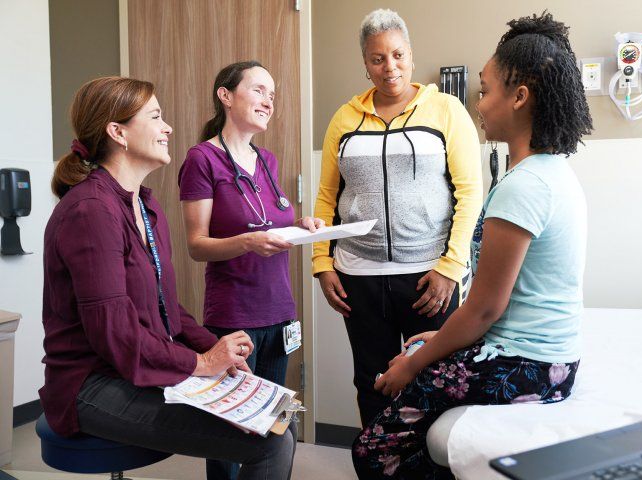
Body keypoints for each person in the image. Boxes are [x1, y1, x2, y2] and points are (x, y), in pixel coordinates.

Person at [352, 11, 593, 479]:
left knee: (371, 450)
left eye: (485, 91)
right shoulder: (553, 173)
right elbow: (499, 309)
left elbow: (484, 309)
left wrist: (417, 362)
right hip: (546, 358)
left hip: (528, 365)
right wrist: (439, 341)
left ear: (519, 97)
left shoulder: (524, 188)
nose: (479, 105)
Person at [41, 76, 295, 480]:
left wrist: (213, 349)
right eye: (156, 117)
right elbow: (115, 333)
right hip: (92, 385)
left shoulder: (143, 205)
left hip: (131, 367)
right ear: (118, 132)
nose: (168, 128)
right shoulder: (91, 211)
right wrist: (200, 361)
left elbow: (164, 306)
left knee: (279, 418)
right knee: (271, 441)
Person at [312, 9, 484, 427]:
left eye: (398, 55)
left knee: (435, 381)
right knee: (372, 382)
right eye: (377, 58)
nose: (390, 67)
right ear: (365, 64)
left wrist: (451, 266)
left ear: (410, 54)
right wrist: (321, 262)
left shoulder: (445, 110)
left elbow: (470, 192)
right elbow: (327, 197)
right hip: (358, 276)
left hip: (429, 276)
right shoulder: (344, 118)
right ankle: (377, 467)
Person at [178, 61, 322, 480]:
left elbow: (267, 223)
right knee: (228, 424)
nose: (268, 101)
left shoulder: (268, 161)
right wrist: (247, 242)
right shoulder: (201, 159)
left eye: (272, 95)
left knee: (270, 423)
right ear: (226, 95)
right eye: (259, 90)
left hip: (279, 311)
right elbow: (196, 245)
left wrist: (300, 226)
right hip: (234, 315)